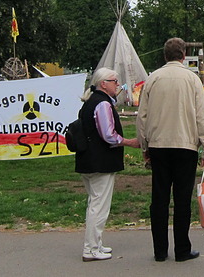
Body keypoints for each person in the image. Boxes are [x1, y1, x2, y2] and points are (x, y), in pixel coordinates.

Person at [136, 37, 204, 263]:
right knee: (182, 199)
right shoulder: (192, 80)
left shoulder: (152, 79)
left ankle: (160, 250)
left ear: (164, 56)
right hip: (185, 145)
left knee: (158, 198)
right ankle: (182, 248)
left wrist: (144, 145)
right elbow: (203, 116)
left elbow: (142, 117)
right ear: (183, 56)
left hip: (159, 145)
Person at [75, 67, 140, 262]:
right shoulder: (102, 104)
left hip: (87, 159)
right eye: (114, 81)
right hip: (100, 161)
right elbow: (109, 135)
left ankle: (96, 243)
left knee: (94, 203)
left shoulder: (89, 102)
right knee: (99, 206)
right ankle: (91, 248)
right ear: (104, 83)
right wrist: (129, 142)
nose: (117, 85)